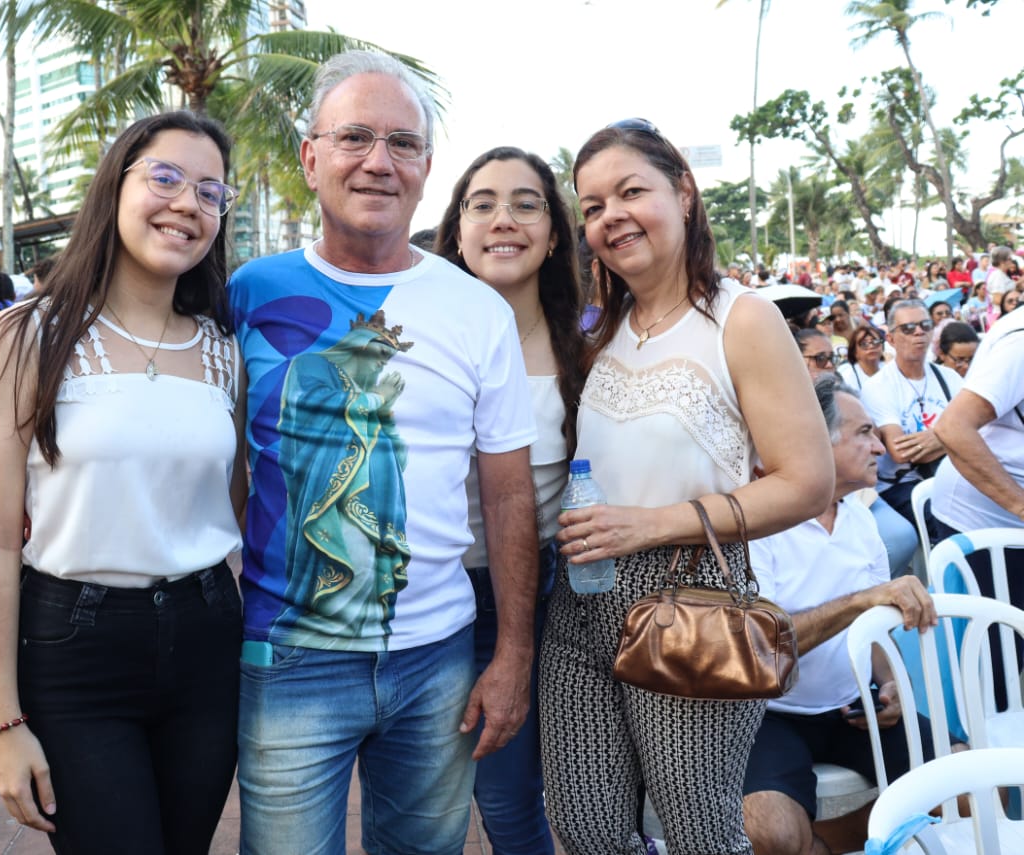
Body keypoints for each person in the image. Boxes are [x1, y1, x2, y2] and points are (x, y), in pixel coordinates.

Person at [228, 51, 539, 855]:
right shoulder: (248, 296)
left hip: (438, 660)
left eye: (402, 143)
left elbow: (507, 498)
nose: (378, 161)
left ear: (426, 168)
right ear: (310, 158)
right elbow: (224, 461)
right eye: (355, 136)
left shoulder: (476, 311)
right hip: (290, 654)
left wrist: (511, 654)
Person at [539, 119, 833, 854]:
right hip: (579, 599)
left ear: (684, 192)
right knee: (588, 831)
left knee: (701, 832)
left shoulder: (743, 318)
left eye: (631, 191)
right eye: (594, 205)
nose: (613, 216)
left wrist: (651, 524)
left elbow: (808, 482)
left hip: (689, 595)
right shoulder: (603, 326)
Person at [0, 111, 246, 853]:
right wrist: (4, 722)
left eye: (212, 191)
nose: (188, 203)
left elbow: (235, 503)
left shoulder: (224, 350)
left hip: (208, 638)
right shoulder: (27, 336)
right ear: (114, 185)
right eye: (166, 177)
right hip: (74, 647)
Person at [433, 146, 586, 854]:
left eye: (527, 204)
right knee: (420, 800)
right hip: (426, 595)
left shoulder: (587, 347)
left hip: (539, 593)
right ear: (457, 230)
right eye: (482, 202)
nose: (504, 218)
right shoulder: (417, 334)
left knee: (511, 802)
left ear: (555, 234)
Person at [743, 377, 946, 855]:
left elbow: (873, 635)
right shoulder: (761, 520)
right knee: (771, 834)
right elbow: (763, 647)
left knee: (974, 786)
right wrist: (862, 600)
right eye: (863, 433)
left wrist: (890, 681)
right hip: (768, 714)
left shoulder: (858, 519)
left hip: (852, 706)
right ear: (816, 437)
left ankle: (829, 844)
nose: (880, 446)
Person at [931, 296, 1024, 709]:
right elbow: (953, 427)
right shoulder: (1019, 345)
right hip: (980, 523)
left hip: (1008, 521)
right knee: (995, 667)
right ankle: (987, 761)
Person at [861, 300, 962, 531]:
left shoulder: (950, 378)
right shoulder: (878, 386)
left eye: (925, 325)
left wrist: (937, 439)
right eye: (908, 328)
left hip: (950, 474)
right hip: (902, 484)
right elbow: (901, 452)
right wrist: (953, 436)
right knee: (950, 521)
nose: (918, 332)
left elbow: (976, 431)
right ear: (891, 339)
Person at [837, 325, 885, 392]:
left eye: (875, 342)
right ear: (854, 351)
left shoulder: (890, 370)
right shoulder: (846, 377)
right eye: (864, 344)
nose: (871, 346)